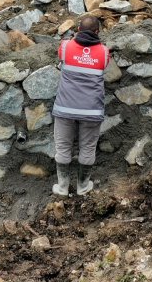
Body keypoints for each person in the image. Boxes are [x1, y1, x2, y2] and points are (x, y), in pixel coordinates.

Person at [52, 15, 109, 196]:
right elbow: (104, 65)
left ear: (78, 30)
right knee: (87, 148)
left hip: (65, 108)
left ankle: (62, 187)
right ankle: (83, 187)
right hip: (91, 110)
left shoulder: (65, 47)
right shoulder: (104, 52)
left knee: (63, 147)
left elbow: (61, 55)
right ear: (97, 32)